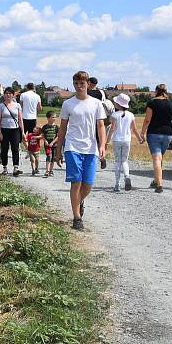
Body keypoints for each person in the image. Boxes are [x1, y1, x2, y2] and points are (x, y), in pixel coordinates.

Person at [55, 71, 107, 231]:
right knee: (76, 182)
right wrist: (59, 150)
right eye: (76, 83)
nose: (79, 86)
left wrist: (103, 145)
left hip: (91, 148)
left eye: (82, 83)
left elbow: (100, 126)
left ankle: (79, 201)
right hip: (72, 147)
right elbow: (63, 127)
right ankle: (77, 218)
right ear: (73, 84)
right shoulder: (68, 104)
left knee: (88, 184)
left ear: (87, 84)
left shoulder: (96, 103)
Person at [140, 83, 172, 193]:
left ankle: (159, 185)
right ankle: (156, 180)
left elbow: (147, 120)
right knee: (160, 157)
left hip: (154, 133)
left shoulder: (152, 103)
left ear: (156, 91)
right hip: (167, 134)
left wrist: (142, 133)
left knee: (156, 159)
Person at [106, 93, 144, 192]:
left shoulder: (114, 115)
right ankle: (127, 176)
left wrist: (107, 141)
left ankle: (117, 184)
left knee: (118, 161)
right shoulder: (131, 115)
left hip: (117, 140)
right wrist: (140, 139)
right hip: (127, 140)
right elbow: (134, 129)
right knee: (124, 161)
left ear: (118, 104)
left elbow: (112, 129)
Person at [0, 87, 24, 176]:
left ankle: (15, 168)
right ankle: (5, 167)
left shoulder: (17, 105)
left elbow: (20, 119)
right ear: (4, 95)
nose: (8, 95)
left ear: (13, 95)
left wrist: (22, 131)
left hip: (15, 130)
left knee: (15, 149)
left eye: (10, 93)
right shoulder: (0, 106)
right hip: (4, 130)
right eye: (6, 93)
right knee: (4, 149)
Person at [41, 111, 59, 177]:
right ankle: (47, 171)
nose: (54, 118)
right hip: (47, 145)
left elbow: (57, 136)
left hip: (54, 145)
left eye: (55, 117)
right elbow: (42, 135)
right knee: (48, 156)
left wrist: (52, 142)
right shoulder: (45, 127)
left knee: (53, 158)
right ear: (48, 118)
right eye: (53, 117)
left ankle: (51, 170)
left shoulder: (56, 127)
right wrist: (45, 141)